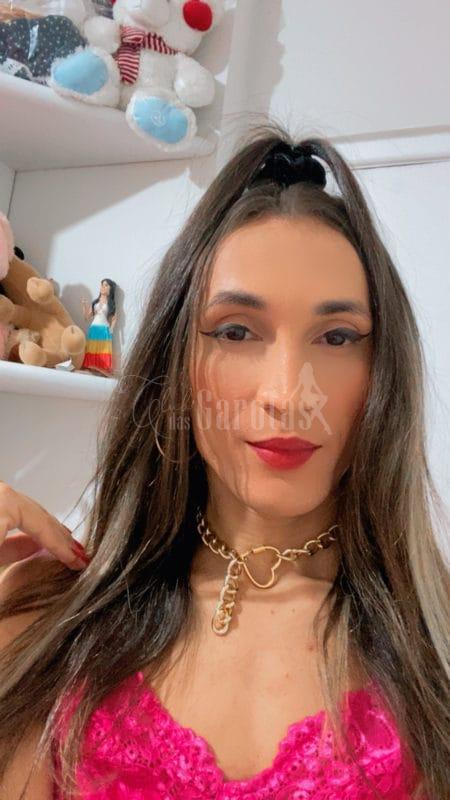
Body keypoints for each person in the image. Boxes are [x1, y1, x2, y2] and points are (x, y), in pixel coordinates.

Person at [0, 122, 448, 800]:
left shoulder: (435, 647)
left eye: (337, 337)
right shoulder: (45, 615)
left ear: (383, 370)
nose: (286, 394)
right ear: (173, 361)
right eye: (236, 331)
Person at [80, 278, 117, 375]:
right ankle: (91, 368)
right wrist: (84, 305)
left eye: (106, 285)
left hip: (104, 329)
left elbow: (114, 318)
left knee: (103, 350)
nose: (103, 287)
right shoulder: (95, 302)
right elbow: (86, 317)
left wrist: (111, 329)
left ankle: (101, 370)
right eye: (102, 285)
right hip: (94, 328)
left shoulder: (111, 303)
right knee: (92, 349)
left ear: (110, 289)